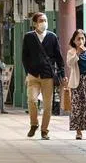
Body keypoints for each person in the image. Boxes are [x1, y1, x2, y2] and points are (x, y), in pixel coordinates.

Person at [22, 11, 65, 140]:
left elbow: (58, 56)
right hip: (33, 75)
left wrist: (62, 72)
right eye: (41, 21)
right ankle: (34, 124)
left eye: (45, 20)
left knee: (47, 105)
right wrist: (29, 71)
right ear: (35, 23)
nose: (43, 23)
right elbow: (25, 57)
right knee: (32, 100)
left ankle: (44, 130)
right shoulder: (29, 37)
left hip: (48, 75)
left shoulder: (52, 37)